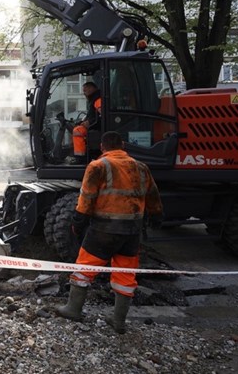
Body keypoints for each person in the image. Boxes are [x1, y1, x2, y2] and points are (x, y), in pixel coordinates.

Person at [56, 131, 163, 334]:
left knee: (84, 268)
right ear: (123, 145)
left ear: (102, 148)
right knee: (125, 274)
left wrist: (78, 222)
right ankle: (118, 321)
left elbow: (86, 197)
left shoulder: (98, 166)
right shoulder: (141, 167)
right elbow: (153, 195)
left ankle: (73, 309)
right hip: (132, 232)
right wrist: (157, 215)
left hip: (103, 230)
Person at [71, 81, 102, 164]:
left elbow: (103, 115)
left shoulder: (97, 99)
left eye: (85, 90)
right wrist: (83, 121)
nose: (84, 93)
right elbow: (92, 115)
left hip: (97, 127)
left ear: (91, 88)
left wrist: (90, 122)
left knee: (77, 131)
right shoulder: (93, 100)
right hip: (94, 125)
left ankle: (81, 158)